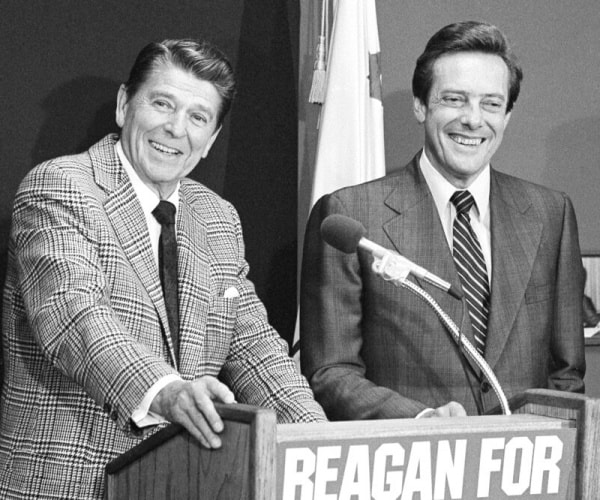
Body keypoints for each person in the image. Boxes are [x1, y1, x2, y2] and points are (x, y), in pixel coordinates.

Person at [0, 38, 325, 499]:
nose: (176, 128)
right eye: (162, 103)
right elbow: (74, 318)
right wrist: (167, 391)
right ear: (123, 105)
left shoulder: (216, 217)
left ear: (211, 140)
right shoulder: (61, 187)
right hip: (72, 485)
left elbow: (254, 348)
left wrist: (321, 442)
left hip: (185, 482)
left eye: (198, 117)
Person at [301, 21, 585, 421]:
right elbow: (330, 372)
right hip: (409, 468)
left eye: (491, 104)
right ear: (421, 105)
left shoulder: (549, 213)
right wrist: (421, 421)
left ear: (507, 115)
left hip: (524, 471)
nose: (473, 119)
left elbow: (566, 373)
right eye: (454, 99)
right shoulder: (349, 215)